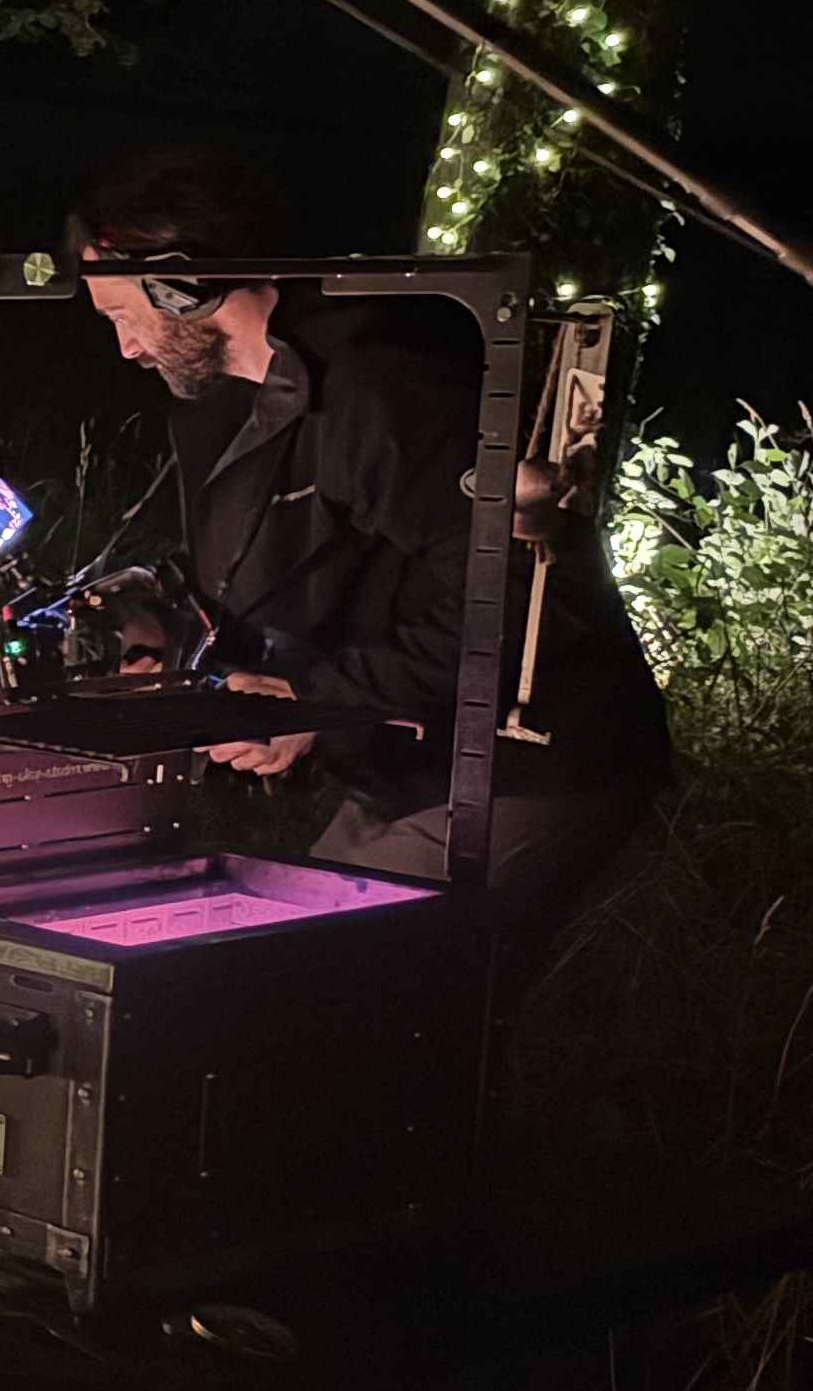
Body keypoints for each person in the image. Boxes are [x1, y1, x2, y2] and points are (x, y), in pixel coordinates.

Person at [71, 147, 671, 976]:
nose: (127, 348)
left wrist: (313, 700)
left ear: (188, 284)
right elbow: (284, 569)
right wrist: (175, 641)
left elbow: (519, 601)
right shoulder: (223, 401)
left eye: (120, 314)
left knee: (344, 996)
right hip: (407, 759)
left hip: (527, 763)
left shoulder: (379, 388)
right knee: (305, 988)